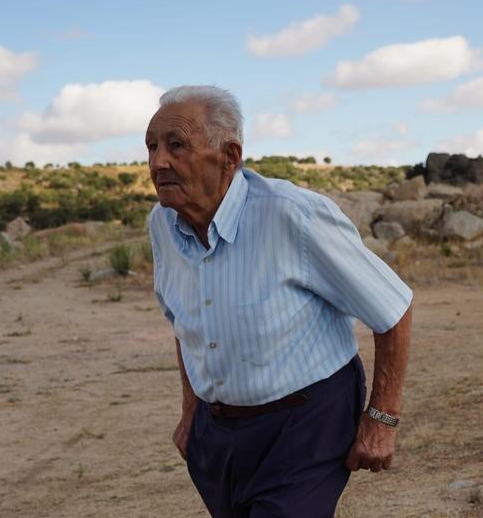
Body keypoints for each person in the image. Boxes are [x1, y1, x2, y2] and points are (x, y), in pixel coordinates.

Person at [145, 85, 414, 517]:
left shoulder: (293, 215)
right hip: (218, 435)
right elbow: (183, 322)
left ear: (229, 156)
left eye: (177, 146)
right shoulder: (162, 225)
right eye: (152, 147)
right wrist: (191, 411)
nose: (159, 162)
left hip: (306, 423)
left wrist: (381, 420)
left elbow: (393, 309)